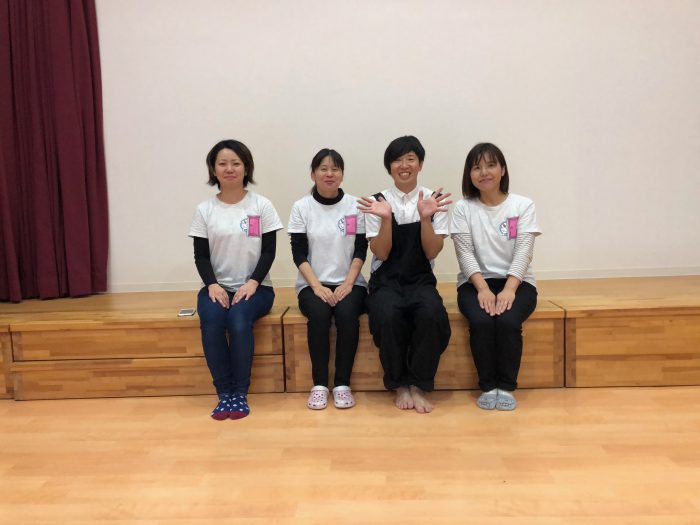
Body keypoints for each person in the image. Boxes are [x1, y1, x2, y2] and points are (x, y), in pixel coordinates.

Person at [357, 135, 452, 414]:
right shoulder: (376, 202)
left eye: (411, 159)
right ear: (389, 166)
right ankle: (399, 383)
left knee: (431, 314)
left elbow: (432, 251)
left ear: (420, 164)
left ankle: (420, 384)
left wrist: (425, 218)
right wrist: (386, 218)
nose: (404, 165)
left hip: (420, 279)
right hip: (386, 281)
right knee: (387, 315)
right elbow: (381, 253)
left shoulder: (433, 201)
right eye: (397, 160)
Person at [189, 139, 283, 420]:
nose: (229, 169)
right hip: (216, 287)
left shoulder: (261, 205)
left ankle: (240, 393)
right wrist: (212, 285)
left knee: (239, 320)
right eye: (223, 163)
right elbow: (201, 256)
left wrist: (253, 282)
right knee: (212, 322)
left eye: (236, 163)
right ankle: (224, 393)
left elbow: (269, 251)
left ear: (246, 168)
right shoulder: (205, 210)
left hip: (257, 288)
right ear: (213, 169)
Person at [451, 143, 541, 411]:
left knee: (508, 321)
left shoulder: (522, 205)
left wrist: (510, 288)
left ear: (503, 170)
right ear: (469, 175)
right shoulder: (463, 208)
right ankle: (488, 386)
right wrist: (482, 288)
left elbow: (524, 251)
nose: (484, 172)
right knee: (481, 321)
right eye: (476, 167)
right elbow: (464, 253)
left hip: (518, 281)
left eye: (491, 165)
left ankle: (507, 386)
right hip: (475, 282)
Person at [288, 149, 368, 410]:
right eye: (323, 169)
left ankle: (342, 384)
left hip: (351, 282)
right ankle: (320, 385)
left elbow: (360, 250)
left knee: (347, 314)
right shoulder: (301, 207)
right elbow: (298, 253)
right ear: (313, 174)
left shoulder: (355, 206)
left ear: (342, 174)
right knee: (320, 315)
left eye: (335, 169)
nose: (329, 174)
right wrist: (317, 286)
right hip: (312, 284)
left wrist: (348, 283)